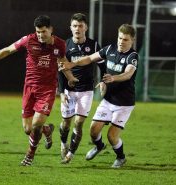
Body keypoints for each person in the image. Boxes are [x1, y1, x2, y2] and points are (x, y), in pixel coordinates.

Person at [0, 15, 78, 166]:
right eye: (38, 32)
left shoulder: (60, 44)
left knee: (36, 125)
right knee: (28, 129)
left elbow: (62, 62)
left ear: (51, 29)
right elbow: (8, 50)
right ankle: (47, 130)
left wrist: (70, 77)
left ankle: (30, 155)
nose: (40, 35)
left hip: (47, 90)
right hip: (29, 89)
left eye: (43, 31)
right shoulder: (28, 40)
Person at [61, 24, 138, 168]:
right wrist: (72, 64)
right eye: (120, 38)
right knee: (93, 131)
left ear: (132, 40)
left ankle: (121, 157)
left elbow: (128, 74)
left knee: (112, 136)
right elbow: (90, 58)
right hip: (108, 100)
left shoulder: (132, 56)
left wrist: (113, 78)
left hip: (124, 103)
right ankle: (99, 146)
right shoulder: (109, 49)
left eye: (126, 39)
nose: (121, 41)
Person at [58, 13, 105, 164]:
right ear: (70, 28)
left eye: (80, 26)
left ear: (86, 27)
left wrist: (104, 80)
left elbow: (102, 65)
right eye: (74, 26)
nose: (77, 29)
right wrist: (61, 92)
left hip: (86, 90)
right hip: (69, 90)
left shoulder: (94, 45)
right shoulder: (64, 46)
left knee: (78, 122)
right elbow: (61, 69)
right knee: (66, 123)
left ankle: (70, 154)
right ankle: (63, 143)